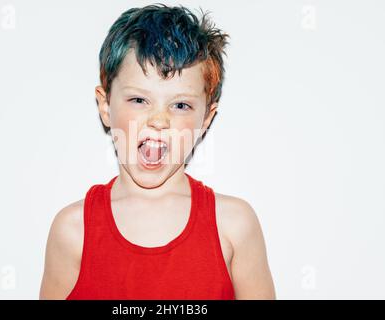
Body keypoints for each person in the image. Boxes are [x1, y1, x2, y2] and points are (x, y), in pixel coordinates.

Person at [39, 3, 275, 300]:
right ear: (105, 107)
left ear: (205, 119)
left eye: (180, 105)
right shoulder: (73, 232)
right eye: (139, 100)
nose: (159, 120)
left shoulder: (234, 226)